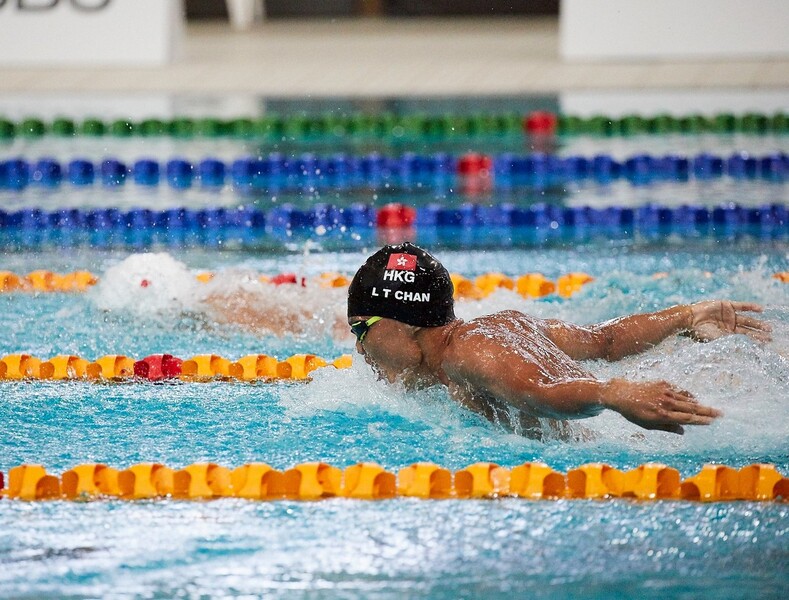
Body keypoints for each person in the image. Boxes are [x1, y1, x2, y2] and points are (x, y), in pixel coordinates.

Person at [347, 242, 772, 437]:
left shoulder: (468, 353)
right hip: (629, 439)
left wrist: (614, 393)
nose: (359, 347)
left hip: (633, 450)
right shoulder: (502, 327)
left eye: (361, 329)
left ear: (405, 324)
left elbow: (541, 391)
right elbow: (605, 340)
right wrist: (686, 316)